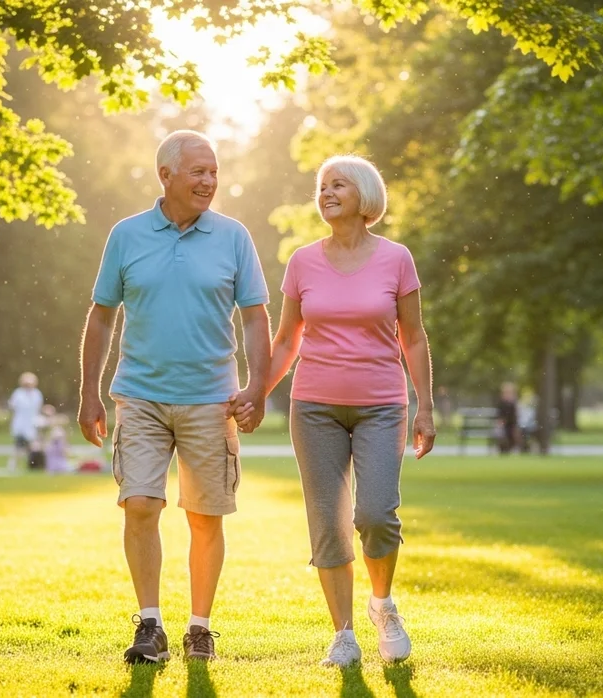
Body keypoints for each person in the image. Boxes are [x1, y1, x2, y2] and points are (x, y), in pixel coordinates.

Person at [77, 130, 271, 664]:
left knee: (205, 517)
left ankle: (199, 628)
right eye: (198, 172)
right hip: (140, 394)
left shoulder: (233, 236)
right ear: (165, 175)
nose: (209, 181)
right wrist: (89, 393)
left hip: (212, 399)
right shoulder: (127, 234)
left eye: (213, 172)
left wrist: (257, 386)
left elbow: (256, 317)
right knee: (140, 503)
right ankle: (150, 624)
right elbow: (102, 315)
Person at [257, 154, 435, 668]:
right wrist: (255, 392)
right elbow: (286, 340)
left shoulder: (396, 258)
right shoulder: (302, 262)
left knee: (376, 514)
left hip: (382, 405)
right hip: (314, 407)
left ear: (364, 195)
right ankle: (344, 634)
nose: (327, 193)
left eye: (338, 185)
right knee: (328, 523)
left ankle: (383, 604)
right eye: (322, 186)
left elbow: (414, 337)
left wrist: (425, 406)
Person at [7, 372, 43, 473]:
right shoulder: (18, 393)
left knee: (32, 446)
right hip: (20, 424)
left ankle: (31, 465)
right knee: (18, 447)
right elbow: (13, 407)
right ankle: (13, 465)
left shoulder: (37, 394)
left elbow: (38, 409)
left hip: (32, 424)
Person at [495, 382, 520, 454]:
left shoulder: (513, 402)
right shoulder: (502, 402)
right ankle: (503, 449)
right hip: (503, 423)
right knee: (501, 434)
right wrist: (501, 421)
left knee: (512, 435)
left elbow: (514, 415)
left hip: (511, 423)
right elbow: (500, 413)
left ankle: (512, 448)